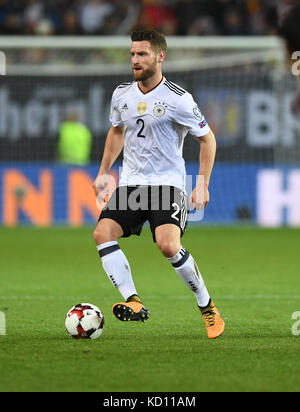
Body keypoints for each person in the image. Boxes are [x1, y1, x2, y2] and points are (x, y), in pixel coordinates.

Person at [92, 29, 225, 339]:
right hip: (131, 184)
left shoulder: (178, 99)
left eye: (142, 54)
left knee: (167, 244)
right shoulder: (121, 94)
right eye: (132, 54)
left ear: (160, 56)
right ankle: (134, 301)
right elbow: (116, 132)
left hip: (167, 186)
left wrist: (202, 184)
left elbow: (208, 139)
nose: (135, 60)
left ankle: (206, 306)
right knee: (102, 233)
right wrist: (103, 171)